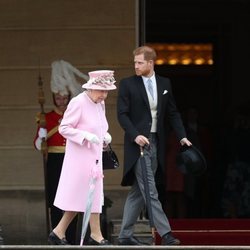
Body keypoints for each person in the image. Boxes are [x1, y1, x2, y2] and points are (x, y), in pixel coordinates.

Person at [116, 45, 192, 246]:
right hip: (138, 144)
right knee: (150, 189)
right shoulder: (127, 84)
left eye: (140, 62)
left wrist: (182, 136)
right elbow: (122, 115)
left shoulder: (165, 83)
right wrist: (135, 135)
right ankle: (165, 233)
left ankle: (124, 235)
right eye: (135, 62)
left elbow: (173, 113)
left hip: (156, 141)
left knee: (138, 192)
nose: (136, 66)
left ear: (151, 63)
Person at [48, 70, 116, 245]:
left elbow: (101, 125)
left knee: (88, 195)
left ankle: (59, 232)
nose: (104, 95)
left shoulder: (99, 103)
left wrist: (105, 135)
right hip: (79, 157)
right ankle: (95, 235)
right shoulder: (78, 102)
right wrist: (85, 135)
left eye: (106, 91)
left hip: (94, 156)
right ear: (91, 88)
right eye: (101, 90)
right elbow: (64, 128)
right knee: (85, 195)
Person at [34, 60, 88, 244]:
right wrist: (42, 135)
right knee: (56, 199)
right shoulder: (46, 117)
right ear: (54, 98)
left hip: (72, 158)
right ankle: (57, 235)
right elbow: (37, 144)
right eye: (58, 98)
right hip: (55, 161)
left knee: (72, 198)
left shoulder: (74, 114)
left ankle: (71, 237)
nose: (62, 102)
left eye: (65, 98)